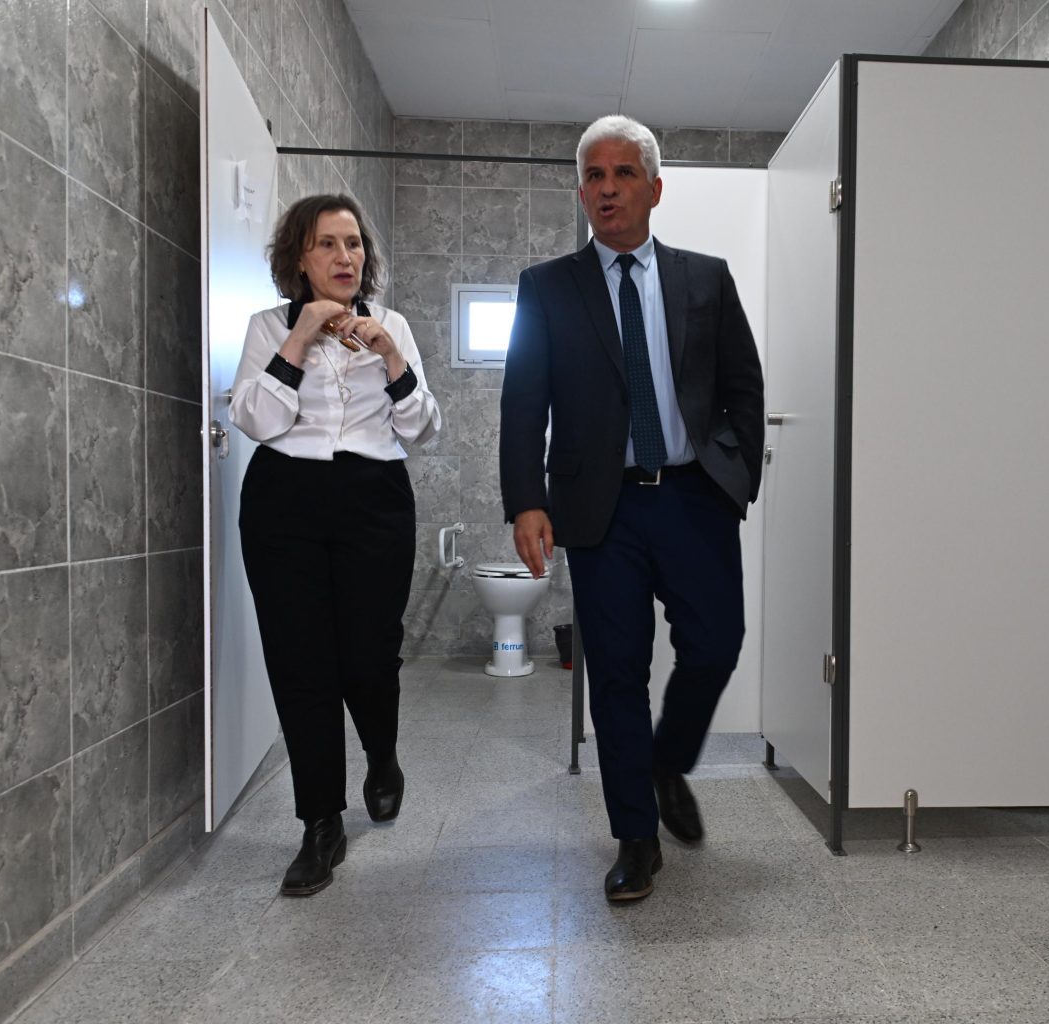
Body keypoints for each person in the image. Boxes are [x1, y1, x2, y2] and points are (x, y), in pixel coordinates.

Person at [499, 116, 765, 902]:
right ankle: (636, 839)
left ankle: (665, 762)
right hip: (599, 509)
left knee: (716, 644)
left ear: (655, 187)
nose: (607, 188)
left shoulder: (705, 278)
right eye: (593, 175)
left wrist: (735, 474)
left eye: (623, 174)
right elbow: (524, 403)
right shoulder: (547, 286)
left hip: (691, 498)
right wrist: (526, 502)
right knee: (616, 673)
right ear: (581, 190)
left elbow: (743, 385)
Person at [229, 194, 441, 896]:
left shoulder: (393, 325)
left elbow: (422, 428)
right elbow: (258, 420)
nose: (345, 256)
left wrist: (388, 355)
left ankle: (382, 754)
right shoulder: (267, 327)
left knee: (370, 656)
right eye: (327, 244)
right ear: (300, 257)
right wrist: (299, 339)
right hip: (283, 500)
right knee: (300, 663)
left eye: (353, 243)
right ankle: (320, 823)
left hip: (374, 499)